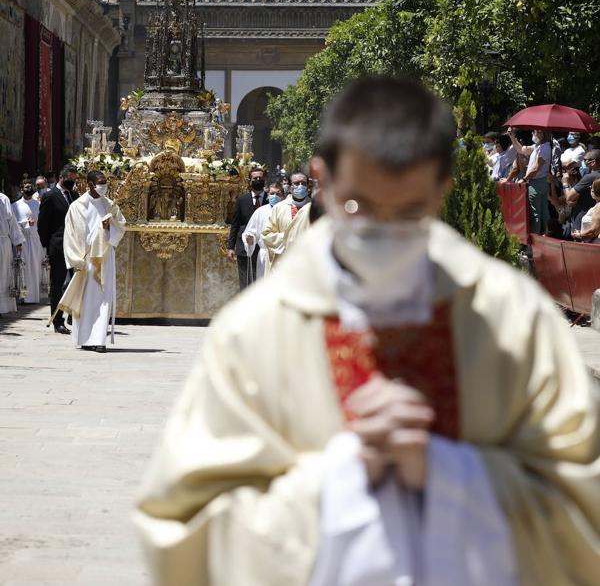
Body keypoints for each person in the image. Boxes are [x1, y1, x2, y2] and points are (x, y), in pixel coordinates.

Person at [134, 76, 600, 585]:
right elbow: (179, 527)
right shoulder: (256, 330)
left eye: (409, 212)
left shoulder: (509, 318)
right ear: (323, 179)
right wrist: (337, 480)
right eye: (358, 206)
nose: (381, 232)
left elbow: (583, 499)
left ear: (441, 188)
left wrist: (453, 474)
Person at [60, 170, 126, 352]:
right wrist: (76, 260)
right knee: (86, 300)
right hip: (86, 259)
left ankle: (99, 340)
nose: (104, 186)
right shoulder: (77, 206)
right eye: (100, 182)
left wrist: (109, 228)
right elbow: (70, 234)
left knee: (103, 299)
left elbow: (121, 227)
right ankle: (85, 338)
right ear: (89, 184)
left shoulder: (110, 205)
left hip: (105, 257)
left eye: (105, 182)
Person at [37, 164, 79, 334]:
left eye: (75, 179)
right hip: (58, 245)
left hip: (74, 245)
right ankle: (57, 320)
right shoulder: (50, 196)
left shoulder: (74, 195)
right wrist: (48, 246)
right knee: (58, 284)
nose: (73, 181)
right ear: (62, 177)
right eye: (70, 178)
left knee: (76, 282)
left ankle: (72, 315)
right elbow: (42, 225)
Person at [226, 166, 268, 289]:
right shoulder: (242, 200)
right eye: (255, 178)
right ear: (250, 180)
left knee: (262, 281)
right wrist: (230, 247)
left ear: (265, 179)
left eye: (260, 177)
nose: (258, 180)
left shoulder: (270, 199)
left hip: (263, 248)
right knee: (246, 283)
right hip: (244, 247)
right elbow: (235, 224)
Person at [262, 170, 311, 268]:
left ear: (308, 187)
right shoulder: (279, 208)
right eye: (296, 183)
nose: (300, 186)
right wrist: (288, 239)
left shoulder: (315, 208)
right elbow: (266, 235)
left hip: (308, 262)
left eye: (303, 183)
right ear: (289, 187)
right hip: (284, 262)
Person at [507, 127, 552, 234]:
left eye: (535, 131)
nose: (533, 133)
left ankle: (535, 242)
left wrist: (524, 179)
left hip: (537, 183)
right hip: (539, 182)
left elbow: (536, 168)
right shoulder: (539, 146)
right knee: (542, 212)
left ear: (541, 133)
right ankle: (545, 236)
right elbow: (521, 150)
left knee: (536, 214)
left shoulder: (544, 148)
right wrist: (512, 137)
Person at [242, 181, 284, 280]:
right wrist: (250, 238)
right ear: (267, 195)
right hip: (265, 255)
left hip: (283, 255)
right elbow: (250, 231)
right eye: (272, 193)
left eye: (278, 194)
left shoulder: (287, 210)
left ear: (283, 195)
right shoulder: (260, 212)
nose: (274, 196)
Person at [11, 178, 43, 303]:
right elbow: (13, 225)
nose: (29, 189)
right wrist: (26, 224)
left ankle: (34, 296)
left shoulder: (38, 204)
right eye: (26, 187)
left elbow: (42, 222)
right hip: (22, 242)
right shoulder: (15, 206)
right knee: (23, 267)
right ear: (21, 189)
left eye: (30, 187)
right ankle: (22, 297)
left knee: (35, 267)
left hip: (35, 240)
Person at [564, 148, 600, 232]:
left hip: (582, 220)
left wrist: (565, 183)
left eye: (585, 160)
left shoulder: (590, 177)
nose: (582, 163)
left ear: (593, 162)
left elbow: (569, 197)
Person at [0, 191, 24, 315]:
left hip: (2, 242)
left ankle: (1, 307)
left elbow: (12, 221)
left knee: (2, 276)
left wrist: (18, 242)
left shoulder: (3, 199)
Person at [572, 178, 600, 243]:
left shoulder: (599, 207)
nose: (590, 189)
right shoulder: (597, 206)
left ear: (596, 191)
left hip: (594, 247)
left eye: (591, 188)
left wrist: (579, 235)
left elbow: (594, 231)